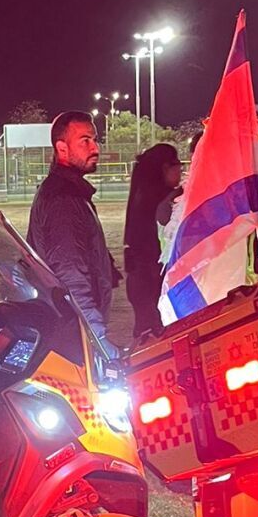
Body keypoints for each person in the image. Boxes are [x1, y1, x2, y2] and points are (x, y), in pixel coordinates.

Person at [28, 110, 121, 352]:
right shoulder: (63, 199)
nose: (95, 148)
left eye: (95, 140)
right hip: (73, 334)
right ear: (62, 148)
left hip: (72, 329)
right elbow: (70, 274)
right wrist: (97, 336)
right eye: (85, 141)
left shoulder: (71, 192)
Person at [123, 142, 182, 340]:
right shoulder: (166, 201)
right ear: (165, 167)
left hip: (139, 280)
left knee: (145, 335)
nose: (181, 170)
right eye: (178, 165)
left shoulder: (141, 195)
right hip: (152, 280)